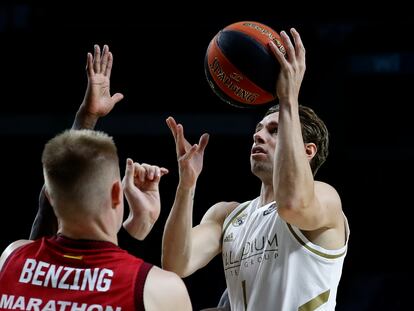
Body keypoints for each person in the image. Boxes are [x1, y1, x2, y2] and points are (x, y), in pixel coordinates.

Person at [161, 28, 349, 311]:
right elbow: (176, 263)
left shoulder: (326, 199)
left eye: (275, 130)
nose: (258, 136)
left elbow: (293, 204)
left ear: (307, 150)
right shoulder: (228, 215)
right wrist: (187, 184)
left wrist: (288, 100)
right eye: (259, 129)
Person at [0, 45, 192, 311]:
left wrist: (86, 119)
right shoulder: (161, 288)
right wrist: (140, 229)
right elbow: (118, 280)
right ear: (117, 193)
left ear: (52, 197)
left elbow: (47, 241)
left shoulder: (11, 260)